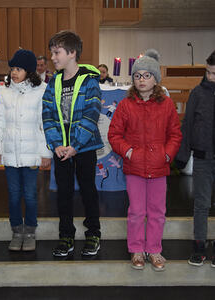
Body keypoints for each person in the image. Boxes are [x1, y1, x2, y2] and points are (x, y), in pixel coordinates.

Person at [108, 49, 182, 271]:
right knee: (137, 212)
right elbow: (114, 135)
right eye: (138, 76)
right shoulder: (126, 104)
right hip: (135, 168)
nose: (142, 80)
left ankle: (155, 249)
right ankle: (137, 249)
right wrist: (129, 152)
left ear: (155, 79)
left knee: (157, 211)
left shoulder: (167, 104)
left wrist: (166, 155)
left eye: (146, 75)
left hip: (159, 167)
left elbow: (175, 134)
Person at [42, 30, 103, 257]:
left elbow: (91, 114)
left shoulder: (89, 81)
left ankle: (93, 233)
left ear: (72, 53)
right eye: (52, 53)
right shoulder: (53, 82)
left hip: (83, 146)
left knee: (88, 190)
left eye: (57, 53)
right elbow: (47, 114)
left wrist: (75, 144)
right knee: (64, 193)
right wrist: (56, 144)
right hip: (61, 148)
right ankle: (66, 235)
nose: (53, 57)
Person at [0, 49, 52, 252]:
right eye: (12, 69)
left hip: (31, 153)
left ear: (29, 70)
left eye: (18, 69)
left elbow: (44, 124)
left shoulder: (42, 91)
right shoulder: (5, 93)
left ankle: (30, 231)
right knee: (12, 194)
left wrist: (46, 153)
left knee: (29, 195)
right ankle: (16, 230)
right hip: (11, 152)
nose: (14, 72)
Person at [175, 50, 215, 268]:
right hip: (202, 157)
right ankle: (199, 245)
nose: (211, 77)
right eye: (208, 72)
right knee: (201, 203)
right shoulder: (197, 94)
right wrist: (182, 156)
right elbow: (187, 126)